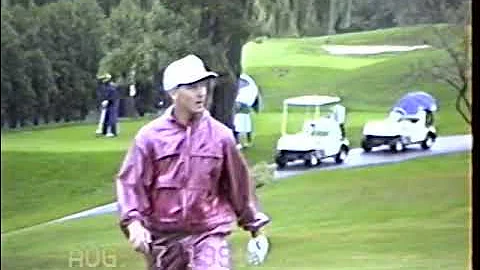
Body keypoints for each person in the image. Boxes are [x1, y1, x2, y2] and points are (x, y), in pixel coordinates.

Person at [115, 54, 270, 270]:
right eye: (192, 87)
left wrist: (257, 229)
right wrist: (133, 223)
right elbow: (131, 184)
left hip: (208, 234)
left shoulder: (221, 136)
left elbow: (240, 187)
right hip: (163, 241)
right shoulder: (149, 137)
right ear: (173, 93)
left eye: (203, 86)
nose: (201, 93)